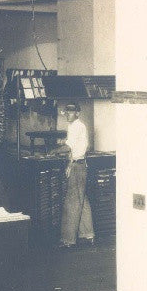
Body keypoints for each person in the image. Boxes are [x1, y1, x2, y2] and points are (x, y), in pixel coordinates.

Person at [56, 104, 95, 248]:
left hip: (78, 166)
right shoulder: (74, 126)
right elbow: (71, 145)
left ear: (77, 113)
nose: (67, 114)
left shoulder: (77, 126)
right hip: (77, 164)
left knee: (72, 201)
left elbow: (69, 147)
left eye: (71, 112)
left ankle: (68, 240)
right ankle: (87, 234)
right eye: (66, 112)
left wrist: (53, 151)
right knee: (82, 200)